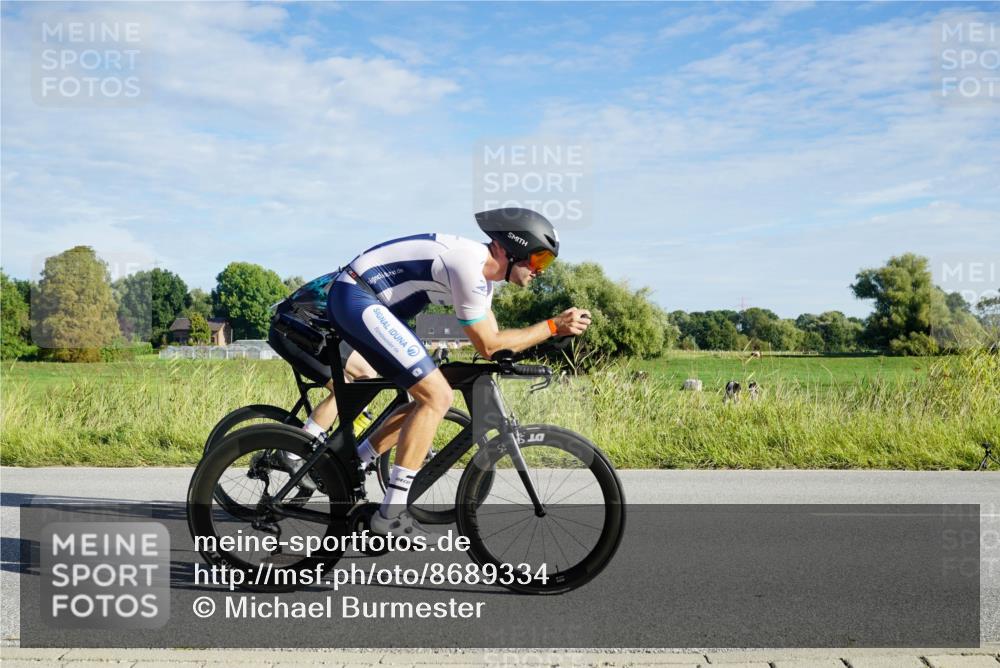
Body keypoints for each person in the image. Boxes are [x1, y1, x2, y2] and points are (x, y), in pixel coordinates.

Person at [291, 208, 591, 537]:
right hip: (357, 296)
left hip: (368, 302)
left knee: (425, 396)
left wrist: (543, 342)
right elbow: (489, 346)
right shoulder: (469, 266)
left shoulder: (483, 281)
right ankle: (389, 513)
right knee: (437, 395)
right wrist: (552, 326)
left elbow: (495, 344)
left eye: (544, 264)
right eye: (538, 260)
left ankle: (355, 461)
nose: (539, 271)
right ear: (510, 247)